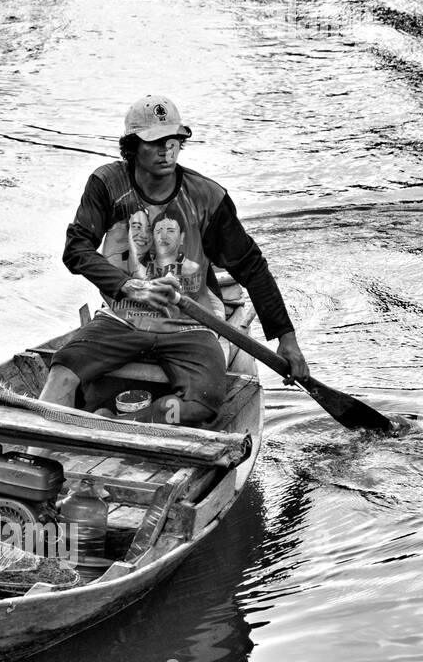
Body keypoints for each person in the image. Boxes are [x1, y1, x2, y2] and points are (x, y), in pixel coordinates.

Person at [39, 93, 309, 425]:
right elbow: (76, 250)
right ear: (132, 147)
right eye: (155, 142)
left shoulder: (207, 197)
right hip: (123, 319)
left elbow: (251, 266)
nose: (167, 150)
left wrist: (287, 339)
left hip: (190, 325)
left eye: (174, 141)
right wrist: (129, 287)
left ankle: (122, 422)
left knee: (205, 404)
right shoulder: (107, 184)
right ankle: (37, 454)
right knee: (62, 371)